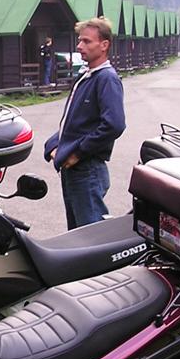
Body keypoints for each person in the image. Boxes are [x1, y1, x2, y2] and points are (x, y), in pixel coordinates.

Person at [44, 17, 126, 229]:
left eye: (87, 41)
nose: (80, 46)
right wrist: (53, 145)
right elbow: (74, 123)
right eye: (80, 40)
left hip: (87, 170)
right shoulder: (86, 76)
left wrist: (78, 152)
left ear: (104, 45)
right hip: (74, 170)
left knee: (90, 235)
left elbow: (114, 125)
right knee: (77, 234)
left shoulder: (106, 78)